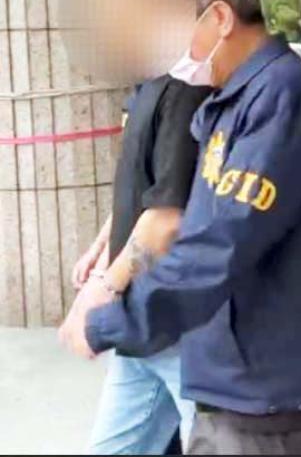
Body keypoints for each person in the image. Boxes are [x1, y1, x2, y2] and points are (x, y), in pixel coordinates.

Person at [60, 0, 301, 455]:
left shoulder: (280, 97)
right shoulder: (229, 103)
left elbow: (217, 243)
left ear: (219, 18)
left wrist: (113, 318)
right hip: (234, 381)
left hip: (274, 394)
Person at [61, 68, 211, 454]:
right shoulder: (147, 84)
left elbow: (167, 216)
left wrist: (104, 288)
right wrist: (102, 247)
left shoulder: (185, 88)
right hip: (141, 323)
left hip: (178, 321)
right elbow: (143, 188)